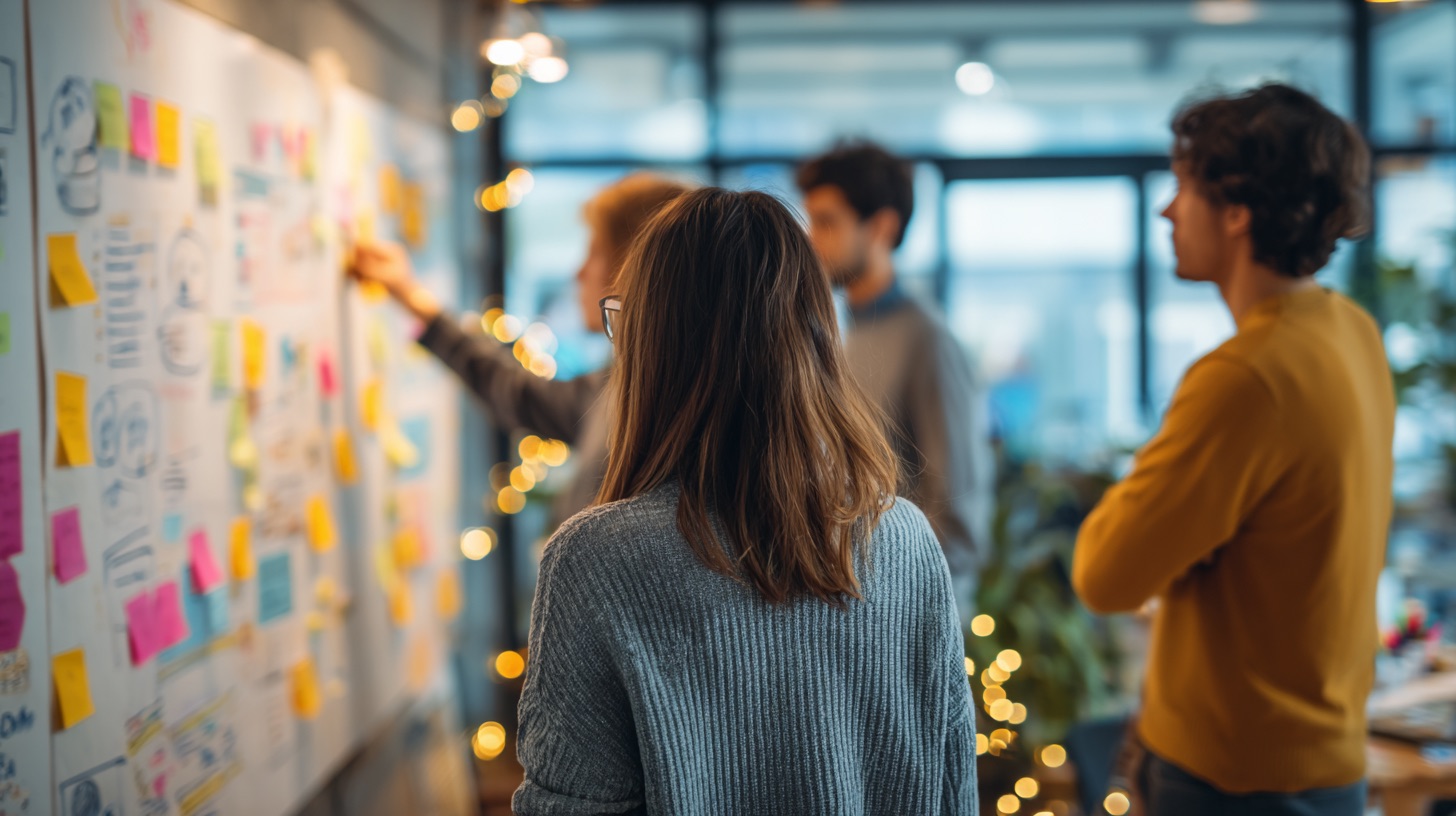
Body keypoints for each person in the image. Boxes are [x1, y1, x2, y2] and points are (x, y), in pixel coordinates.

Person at [513, 188, 978, 815]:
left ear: (651, 344)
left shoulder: (594, 561)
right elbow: (953, 792)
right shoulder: (909, 542)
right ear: (816, 338)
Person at [1072, 84, 1392, 815]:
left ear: (1238, 210)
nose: (1166, 211)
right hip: (1329, 764)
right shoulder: (1353, 332)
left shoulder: (1245, 377)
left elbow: (1104, 573)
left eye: (1184, 188)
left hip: (1233, 776)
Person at [349, 173, 689, 527]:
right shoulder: (621, 384)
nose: (579, 273)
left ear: (633, 269)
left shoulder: (660, 412)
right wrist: (415, 300)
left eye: (595, 253)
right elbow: (518, 392)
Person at [796, 142, 993, 617]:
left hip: (897, 622)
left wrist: (917, 629)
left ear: (882, 226)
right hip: (843, 612)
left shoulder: (928, 341)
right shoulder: (836, 334)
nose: (812, 239)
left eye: (827, 222)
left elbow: (958, 514)